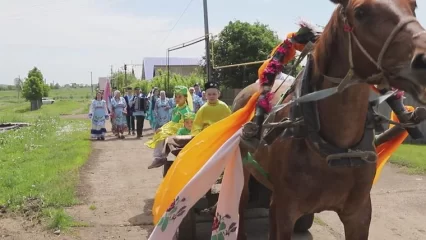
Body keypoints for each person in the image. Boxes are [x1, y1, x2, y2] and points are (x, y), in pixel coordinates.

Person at [145, 86, 192, 169]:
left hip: (183, 131)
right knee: (160, 132)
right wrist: (163, 128)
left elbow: (183, 125)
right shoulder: (177, 108)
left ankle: (160, 158)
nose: (177, 99)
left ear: (185, 98)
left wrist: (165, 130)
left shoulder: (186, 110)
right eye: (176, 97)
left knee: (162, 135)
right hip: (175, 128)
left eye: (180, 97)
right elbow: (172, 122)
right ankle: (159, 157)